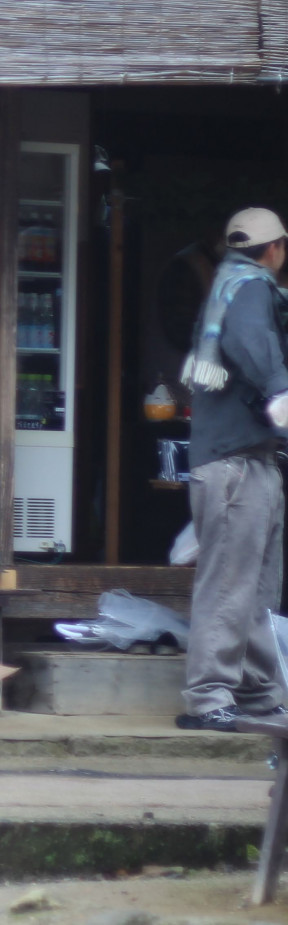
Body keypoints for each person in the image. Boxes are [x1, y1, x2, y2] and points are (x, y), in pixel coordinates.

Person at [177, 208, 288, 731]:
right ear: (275, 249)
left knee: (259, 588)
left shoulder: (228, 285)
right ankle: (209, 696)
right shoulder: (251, 289)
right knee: (230, 584)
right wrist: (282, 394)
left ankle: (260, 693)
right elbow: (255, 351)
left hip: (249, 460)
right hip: (235, 465)